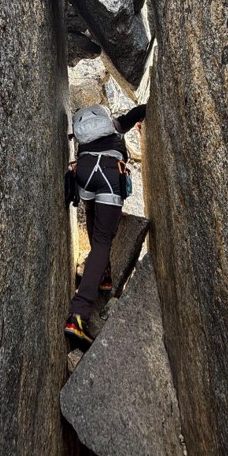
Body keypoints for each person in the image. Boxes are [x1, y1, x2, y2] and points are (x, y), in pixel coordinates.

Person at [64, 102, 147, 344]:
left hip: (85, 171)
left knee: (92, 215)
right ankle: (78, 315)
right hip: (110, 172)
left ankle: (104, 274)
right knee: (103, 240)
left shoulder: (84, 136)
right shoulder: (114, 126)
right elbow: (140, 110)